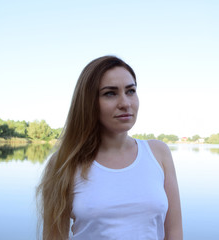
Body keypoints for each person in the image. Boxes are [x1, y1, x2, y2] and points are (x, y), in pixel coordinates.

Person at [37, 56, 183, 240]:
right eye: (110, 93)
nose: (125, 103)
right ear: (88, 102)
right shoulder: (64, 163)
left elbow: (174, 233)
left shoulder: (158, 153)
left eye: (130, 91)